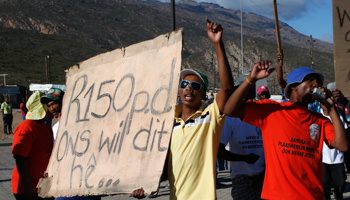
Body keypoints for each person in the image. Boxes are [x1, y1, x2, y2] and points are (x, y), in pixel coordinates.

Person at [130, 18, 234, 200]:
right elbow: (169, 168)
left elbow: (226, 88)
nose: (188, 88)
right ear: (179, 89)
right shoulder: (169, 124)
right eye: (184, 84)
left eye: (195, 87)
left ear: (203, 95)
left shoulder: (210, 118)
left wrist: (218, 45)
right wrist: (145, 187)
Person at [223, 61, 348, 199]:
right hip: (276, 196)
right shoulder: (271, 110)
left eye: (318, 82)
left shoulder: (320, 120)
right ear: (294, 86)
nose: (316, 85)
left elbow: (342, 145)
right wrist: (250, 79)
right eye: (310, 80)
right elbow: (229, 110)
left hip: (311, 196)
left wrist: (331, 109)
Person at [40, 88, 101, 200]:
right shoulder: (54, 128)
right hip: (65, 187)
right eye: (49, 105)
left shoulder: (82, 122)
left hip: (86, 184)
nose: (52, 108)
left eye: (54, 103)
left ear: (64, 101)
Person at [218, 85, 264, 200]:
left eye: (248, 97)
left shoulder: (261, 116)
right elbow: (219, 151)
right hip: (242, 178)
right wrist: (244, 158)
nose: (245, 101)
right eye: (240, 97)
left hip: (263, 176)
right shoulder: (229, 119)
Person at [11, 91, 54, 200]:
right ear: (42, 109)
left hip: (42, 186)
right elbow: (20, 157)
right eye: (48, 106)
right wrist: (26, 184)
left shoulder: (46, 128)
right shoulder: (26, 127)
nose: (52, 109)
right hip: (28, 188)